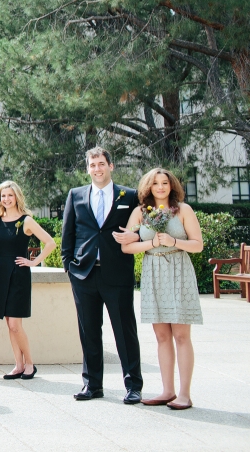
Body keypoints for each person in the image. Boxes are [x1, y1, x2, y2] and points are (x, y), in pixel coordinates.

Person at [62, 146, 143, 404]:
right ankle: (92, 385)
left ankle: (133, 385)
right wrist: (69, 267)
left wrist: (138, 236)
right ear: (88, 169)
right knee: (89, 332)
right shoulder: (76, 195)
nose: (97, 168)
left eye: (101, 163)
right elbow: (68, 235)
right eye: (92, 165)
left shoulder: (129, 196)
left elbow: (145, 227)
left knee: (124, 331)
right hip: (84, 275)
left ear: (111, 166)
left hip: (117, 274)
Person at [121, 168, 203, 410]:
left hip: (179, 271)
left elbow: (198, 245)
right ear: (148, 187)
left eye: (164, 182)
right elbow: (127, 247)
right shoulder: (140, 212)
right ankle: (168, 390)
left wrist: (174, 241)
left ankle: (185, 394)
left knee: (181, 335)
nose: (160, 187)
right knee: (162, 336)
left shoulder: (183, 210)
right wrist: (151, 242)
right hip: (153, 273)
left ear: (171, 185)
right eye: (155, 183)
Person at [0, 180, 56, 380]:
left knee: (15, 324)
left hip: (19, 274)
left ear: (16, 196)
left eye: (10, 195)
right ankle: (18, 365)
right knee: (9, 323)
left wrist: (34, 262)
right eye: (3, 196)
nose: (6, 199)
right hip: (0, 273)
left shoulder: (26, 220)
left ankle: (30, 364)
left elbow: (50, 242)